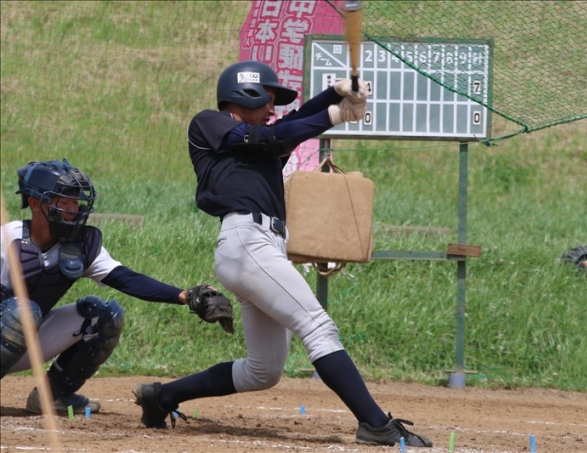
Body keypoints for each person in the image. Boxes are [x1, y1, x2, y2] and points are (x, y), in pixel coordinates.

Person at [133, 60, 433, 447]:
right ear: (243, 93)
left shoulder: (260, 143)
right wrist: (335, 114)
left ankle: (162, 396)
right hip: (247, 241)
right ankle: (375, 423)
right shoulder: (210, 123)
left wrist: (336, 93)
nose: (273, 109)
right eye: (268, 100)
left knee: (263, 371)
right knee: (318, 327)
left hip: (263, 247)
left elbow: (292, 124)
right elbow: (272, 134)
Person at [0, 159, 196, 415]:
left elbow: (126, 278)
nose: (73, 209)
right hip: (10, 325)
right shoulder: (8, 238)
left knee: (103, 316)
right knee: (22, 312)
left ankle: (53, 396)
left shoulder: (80, 246)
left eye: (75, 201)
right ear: (36, 204)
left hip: (22, 338)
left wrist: (182, 295)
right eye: (64, 201)